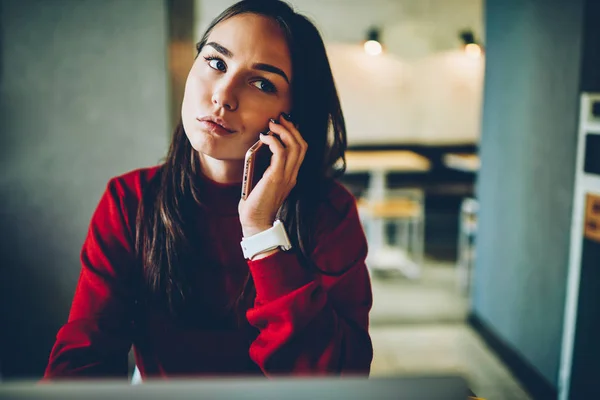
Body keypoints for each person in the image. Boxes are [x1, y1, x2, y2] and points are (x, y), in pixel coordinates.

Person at [43, 0, 372, 380]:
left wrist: (262, 233)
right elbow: (84, 357)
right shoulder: (130, 200)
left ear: (291, 115)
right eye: (216, 63)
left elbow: (338, 379)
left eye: (262, 83)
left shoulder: (329, 212)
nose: (223, 96)